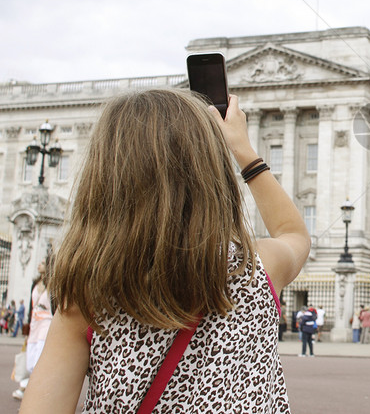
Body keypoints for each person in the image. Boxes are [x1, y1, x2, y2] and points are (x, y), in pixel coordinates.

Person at [20, 90, 311, 413]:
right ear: (210, 174)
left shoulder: (88, 297)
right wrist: (243, 151)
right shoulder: (256, 271)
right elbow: (293, 233)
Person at [12, 260, 54, 401]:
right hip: (35, 324)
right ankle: (31, 389)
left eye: (42, 262)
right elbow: (31, 307)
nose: (39, 264)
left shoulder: (53, 285)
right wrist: (28, 326)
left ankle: (31, 393)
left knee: (37, 360)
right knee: (30, 360)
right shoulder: (35, 284)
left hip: (46, 323)